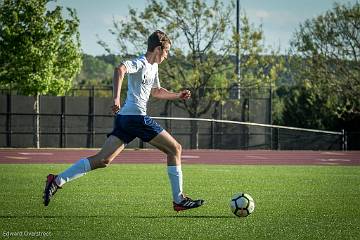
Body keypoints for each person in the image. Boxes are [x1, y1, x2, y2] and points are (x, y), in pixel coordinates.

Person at [43, 30, 204, 212]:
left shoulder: (154, 67)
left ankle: (56, 180)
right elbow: (120, 69)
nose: (167, 55)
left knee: (103, 160)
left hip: (126, 119)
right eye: (166, 51)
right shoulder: (141, 62)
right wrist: (115, 99)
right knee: (175, 148)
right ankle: (179, 199)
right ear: (158, 48)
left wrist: (177, 95)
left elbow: (156, 91)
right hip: (135, 118)